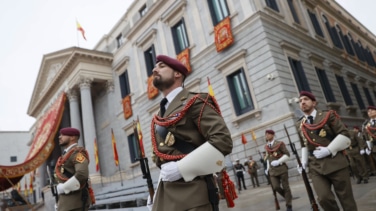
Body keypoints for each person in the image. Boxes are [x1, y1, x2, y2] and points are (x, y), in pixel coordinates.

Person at [149, 55, 233, 211]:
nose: (154, 69)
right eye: (155, 67)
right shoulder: (161, 113)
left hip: (192, 194)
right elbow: (167, 155)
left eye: (161, 66)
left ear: (177, 74)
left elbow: (222, 141)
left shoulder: (195, 101)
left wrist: (181, 168)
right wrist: (158, 189)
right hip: (165, 195)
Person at [296, 91, 357, 211]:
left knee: (346, 199)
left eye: (306, 99)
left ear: (314, 103)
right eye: (300, 101)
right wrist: (303, 162)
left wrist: (329, 149)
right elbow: (304, 144)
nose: (302, 102)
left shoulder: (328, 115)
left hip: (335, 162)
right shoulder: (300, 123)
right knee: (324, 198)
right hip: (316, 166)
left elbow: (344, 135)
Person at [54, 127, 91, 211]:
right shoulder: (66, 154)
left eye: (63, 135)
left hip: (75, 204)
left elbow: (82, 173)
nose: (60, 137)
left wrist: (64, 188)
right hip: (66, 204)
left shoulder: (77, 153)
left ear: (72, 137)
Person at [264, 129, 292, 211]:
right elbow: (268, 158)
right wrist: (267, 168)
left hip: (281, 168)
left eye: (268, 134)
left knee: (286, 187)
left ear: (273, 135)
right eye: (266, 134)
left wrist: (279, 161)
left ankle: (289, 205)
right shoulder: (266, 146)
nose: (267, 136)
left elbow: (287, 154)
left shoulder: (279, 144)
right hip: (272, 171)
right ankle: (288, 197)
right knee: (276, 187)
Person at [362, 105, 376, 175]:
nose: (370, 112)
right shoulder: (366, 124)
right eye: (368, 111)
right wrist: (368, 147)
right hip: (374, 147)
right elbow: (366, 136)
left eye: (372, 110)